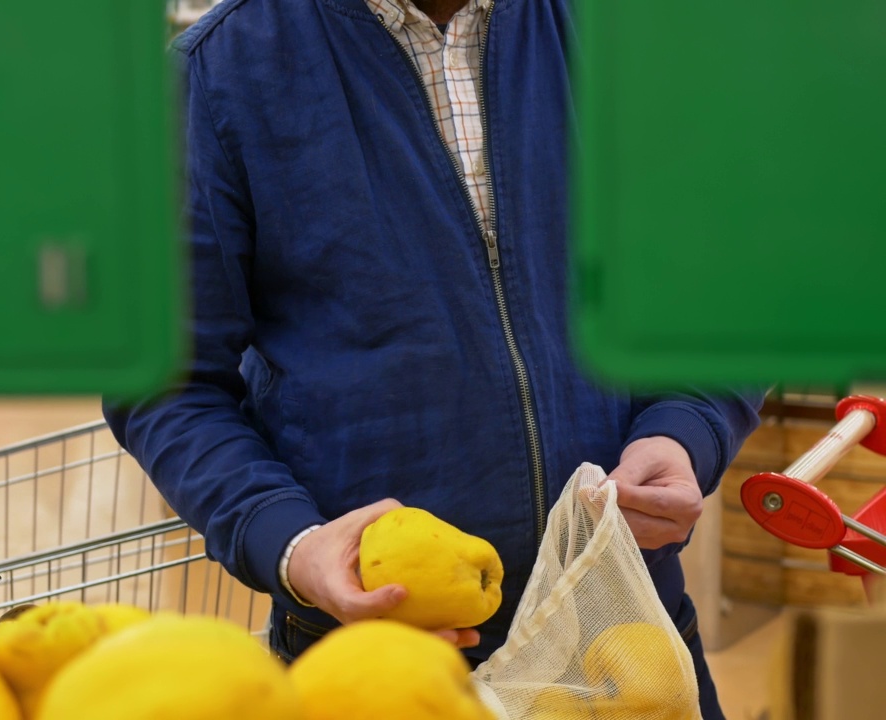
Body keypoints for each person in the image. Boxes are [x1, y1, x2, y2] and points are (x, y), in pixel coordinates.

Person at [104, 1, 762, 717]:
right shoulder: (217, 75)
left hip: (623, 631)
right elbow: (165, 381)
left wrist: (684, 427)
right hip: (381, 670)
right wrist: (292, 543)